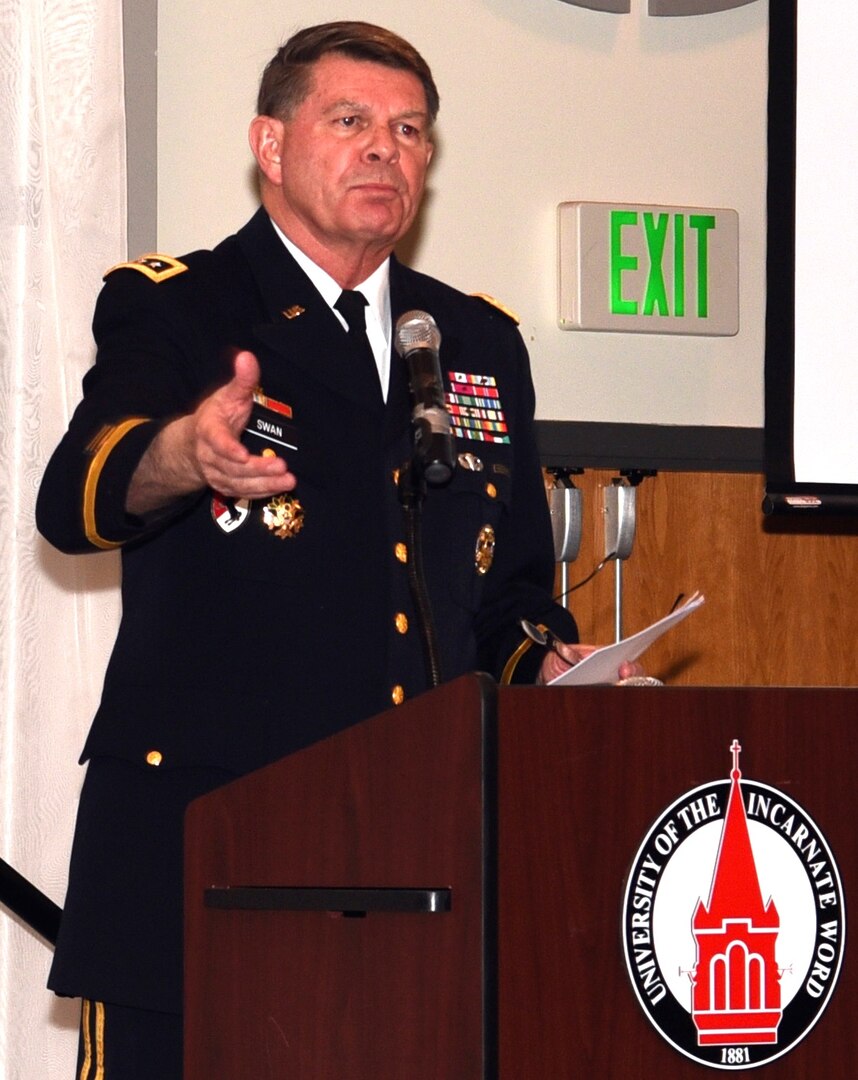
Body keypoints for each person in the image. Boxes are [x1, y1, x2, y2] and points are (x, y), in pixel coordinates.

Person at [36, 20, 635, 1078]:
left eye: (410, 131)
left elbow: (511, 592)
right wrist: (186, 455)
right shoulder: (180, 304)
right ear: (270, 145)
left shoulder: (474, 341)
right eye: (350, 121)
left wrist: (547, 661)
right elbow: (79, 495)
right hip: (208, 862)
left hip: (419, 869)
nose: (385, 150)